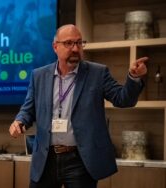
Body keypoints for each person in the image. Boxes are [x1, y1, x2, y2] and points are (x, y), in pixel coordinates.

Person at [9, 24, 148, 188]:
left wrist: (133, 77)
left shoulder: (97, 73)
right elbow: (28, 108)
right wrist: (19, 121)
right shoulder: (39, 75)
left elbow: (123, 99)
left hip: (80, 160)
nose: (75, 49)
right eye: (69, 43)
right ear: (55, 47)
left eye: (79, 43)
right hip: (46, 159)